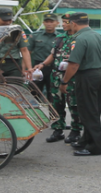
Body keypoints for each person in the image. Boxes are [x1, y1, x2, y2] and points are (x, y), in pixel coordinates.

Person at [59, 12, 101, 156]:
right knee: (94, 110)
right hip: (100, 73)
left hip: (87, 76)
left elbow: (73, 65)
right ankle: (85, 140)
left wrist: (64, 81)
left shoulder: (79, 39)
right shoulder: (98, 35)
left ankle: (94, 147)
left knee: (88, 111)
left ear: (73, 23)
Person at [34, 12, 83, 143]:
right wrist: (43, 64)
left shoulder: (81, 38)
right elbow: (53, 54)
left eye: (67, 22)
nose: (64, 24)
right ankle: (58, 130)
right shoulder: (60, 38)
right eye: (63, 22)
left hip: (72, 76)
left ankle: (76, 131)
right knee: (56, 104)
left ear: (74, 23)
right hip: (56, 75)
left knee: (74, 104)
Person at [0, 8, 32, 80]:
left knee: (15, 88)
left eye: (10, 20)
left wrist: (29, 68)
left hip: (13, 65)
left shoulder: (18, 32)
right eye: (4, 20)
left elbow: (24, 50)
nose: (7, 22)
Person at [28, 13, 59, 103]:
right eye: (47, 21)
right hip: (37, 68)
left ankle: (53, 116)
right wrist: (26, 69)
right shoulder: (35, 36)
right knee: (34, 92)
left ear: (57, 23)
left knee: (52, 94)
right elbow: (27, 52)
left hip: (54, 68)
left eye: (51, 21)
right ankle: (35, 115)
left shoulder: (60, 37)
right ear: (43, 23)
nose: (49, 24)